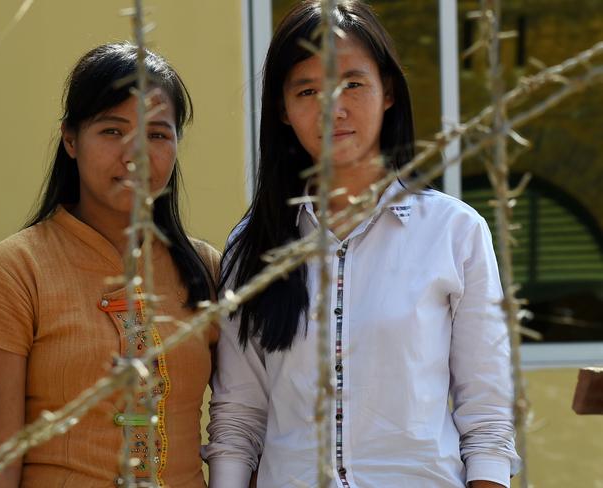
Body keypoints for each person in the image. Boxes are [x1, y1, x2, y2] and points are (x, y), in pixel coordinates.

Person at [204, 1, 520, 487]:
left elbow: (489, 418)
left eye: (352, 83)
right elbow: (238, 417)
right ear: (284, 111)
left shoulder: (454, 232)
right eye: (307, 89)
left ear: (388, 91)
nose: (333, 107)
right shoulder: (252, 246)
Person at [0, 42, 219, 487]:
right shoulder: (10, 273)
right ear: (70, 139)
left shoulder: (208, 269)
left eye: (158, 134)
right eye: (113, 131)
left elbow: (245, 425)